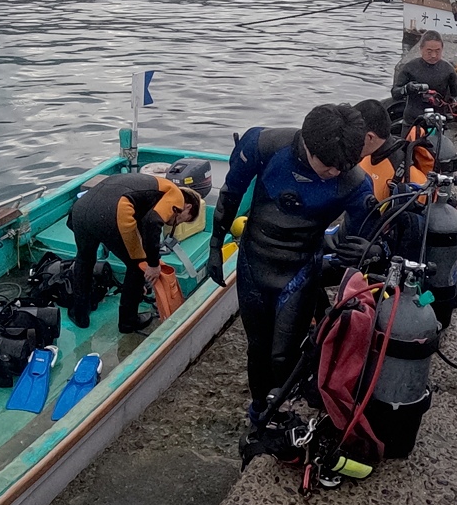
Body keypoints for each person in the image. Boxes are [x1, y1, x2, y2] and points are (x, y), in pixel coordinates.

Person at [206, 104, 373, 427]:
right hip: (255, 260)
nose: (334, 173)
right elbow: (230, 192)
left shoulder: (353, 182)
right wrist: (215, 244)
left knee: (282, 354)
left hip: (299, 269)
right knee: (257, 347)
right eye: (327, 166)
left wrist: (369, 249)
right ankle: (259, 412)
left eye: (344, 166)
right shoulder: (264, 146)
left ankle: (281, 407)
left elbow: (370, 231)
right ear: (308, 145)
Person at [68, 174, 200, 334]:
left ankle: (79, 314)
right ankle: (128, 323)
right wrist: (153, 264)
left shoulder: (151, 190)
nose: (177, 223)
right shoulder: (176, 196)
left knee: (85, 259)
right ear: (188, 208)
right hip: (112, 211)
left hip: (80, 208)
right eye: (185, 220)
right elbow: (152, 222)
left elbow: (141, 225)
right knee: (138, 265)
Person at [391, 30, 457, 128]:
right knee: (407, 143)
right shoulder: (410, 68)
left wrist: (454, 101)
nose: (433, 55)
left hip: (438, 121)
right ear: (421, 49)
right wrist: (406, 89)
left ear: (442, 49)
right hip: (412, 121)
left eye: (437, 51)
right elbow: (395, 93)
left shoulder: (448, 69)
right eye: (429, 51)